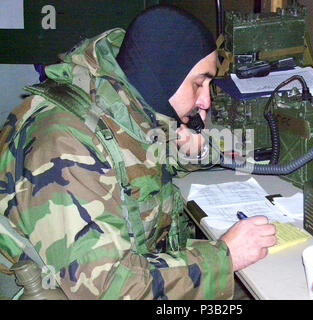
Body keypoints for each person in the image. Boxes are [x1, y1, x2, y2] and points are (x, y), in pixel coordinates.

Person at [0, 5, 276, 299]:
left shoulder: (126, 104)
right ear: (164, 72)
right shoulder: (65, 147)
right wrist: (225, 257)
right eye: (199, 83)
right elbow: (110, 289)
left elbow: (147, 158)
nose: (206, 100)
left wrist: (205, 147)